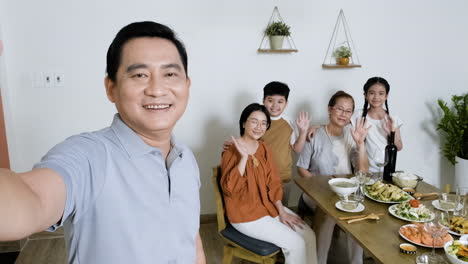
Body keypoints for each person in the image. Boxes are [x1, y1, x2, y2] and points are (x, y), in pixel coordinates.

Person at [0, 21, 206, 264]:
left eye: (170, 74)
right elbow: (32, 198)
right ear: (111, 88)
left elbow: (189, 237)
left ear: (187, 85)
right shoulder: (89, 156)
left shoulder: (185, 159)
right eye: (140, 75)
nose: (157, 89)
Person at [221, 103, 317, 264]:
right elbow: (230, 189)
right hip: (244, 215)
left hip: (267, 206)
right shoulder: (231, 149)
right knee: (296, 244)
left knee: (309, 235)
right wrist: (243, 158)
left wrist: (282, 211)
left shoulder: (263, 147)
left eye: (264, 123)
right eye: (254, 121)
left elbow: (273, 182)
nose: (259, 127)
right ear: (244, 123)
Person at [297, 91, 369, 264]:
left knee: (356, 210)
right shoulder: (313, 134)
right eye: (339, 109)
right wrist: (321, 186)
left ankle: (356, 262)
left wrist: (360, 143)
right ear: (330, 110)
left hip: (344, 191)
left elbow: (363, 172)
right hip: (315, 190)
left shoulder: (352, 136)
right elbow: (301, 168)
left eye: (348, 111)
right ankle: (318, 261)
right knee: (330, 212)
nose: (343, 114)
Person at [224, 81, 312, 206]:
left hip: (282, 177)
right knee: (260, 209)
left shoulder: (289, 123)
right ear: (263, 100)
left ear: (286, 104)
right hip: (258, 178)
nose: (275, 105)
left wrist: (303, 132)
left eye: (280, 101)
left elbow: (297, 149)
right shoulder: (257, 121)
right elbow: (247, 143)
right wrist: (234, 145)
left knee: (281, 211)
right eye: (270, 100)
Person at [351, 77, 403, 174]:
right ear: (365, 95)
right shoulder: (358, 115)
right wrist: (318, 127)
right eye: (371, 93)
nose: (376, 97)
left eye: (381, 93)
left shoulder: (392, 117)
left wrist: (391, 133)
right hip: (365, 171)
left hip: (387, 171)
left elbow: (399, 147)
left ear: (386, 96)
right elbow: (338, 124)